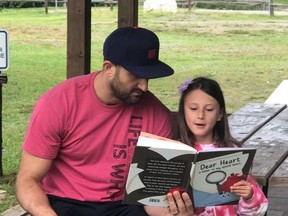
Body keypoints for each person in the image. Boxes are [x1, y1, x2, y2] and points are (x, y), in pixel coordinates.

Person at [15, 26, 175, 216]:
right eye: (135, 75)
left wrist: (174, 212)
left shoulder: (158, 114)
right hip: (65, 203)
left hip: (124, 205)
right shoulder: (58, 103)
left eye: (148, 76)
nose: (144, 86)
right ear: (108, 68)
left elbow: (150, 195)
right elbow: (28, 179)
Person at [145, 77, 268, 216]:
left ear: (220, 114)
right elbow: (151, 202)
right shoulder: (172, 152)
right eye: (193, 108)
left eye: (209, 109)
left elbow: (255, 209)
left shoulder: (233, 152)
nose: (200, 115)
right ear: (183, 111)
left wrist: (249, 196)